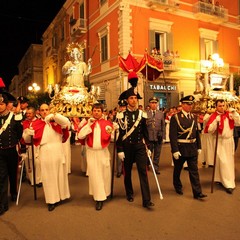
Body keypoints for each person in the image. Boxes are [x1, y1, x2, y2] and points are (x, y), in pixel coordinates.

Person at [22, 104, 70, 211]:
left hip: (57, 149)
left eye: (47, 110)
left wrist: (54, 116)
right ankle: (51, 200)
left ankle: (62, 196)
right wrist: (27, 134)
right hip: (45, 150)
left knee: (60, 174)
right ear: (39, 112)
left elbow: (66, 123)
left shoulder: (57, 121)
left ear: (50, 110)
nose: (44, 112)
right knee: (48, 176)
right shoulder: (36, 124)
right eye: (42, 110)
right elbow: (27, 140)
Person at [116, 87, 154, 209]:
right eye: (131, 98)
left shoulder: (142, 114)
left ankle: (146, 200)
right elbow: (120, 135)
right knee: (127, 172)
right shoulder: (121, 115)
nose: (134, 100)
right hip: (127, 146)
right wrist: (120, 149)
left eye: (135, 98)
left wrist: (148, 147)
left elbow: (145, 133)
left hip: (139, 146)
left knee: (143, 172)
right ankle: (129, 192)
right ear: (127, 100)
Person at [78, 103, 114, 211]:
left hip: (103, 151)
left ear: (102, 112)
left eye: (99, 111)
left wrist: (115, 131)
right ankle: (99, 198)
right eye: (95, 110)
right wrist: (89, 125)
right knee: (95, 175)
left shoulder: (107, 123)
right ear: (92, 112)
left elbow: (112, 138)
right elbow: (80, 136)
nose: (96, 112)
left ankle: (105, 192)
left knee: (105, 174)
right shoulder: (88, 124)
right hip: (92, 152)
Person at [169, 95, 207, 200]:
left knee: (194, 171)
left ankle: (197, 192)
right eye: (188, 104)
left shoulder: (194, 117)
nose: (190, 106)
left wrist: (199, 146)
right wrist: (175, 150)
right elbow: (173, 136)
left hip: (192, 147)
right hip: (181, 148)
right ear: (182, 104)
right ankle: (177, 185)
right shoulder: (175, 117)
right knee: (177, 169)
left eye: (191, 104)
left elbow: (196, 133)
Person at [204, 99, 240, 194]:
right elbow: (210, 130)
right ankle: (228, 184)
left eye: (223, 105)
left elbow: (238, 122)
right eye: (220, 105)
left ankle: (221, 179)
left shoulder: (229, 114)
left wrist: (235, 113)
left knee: (229, 162)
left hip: (229, 141)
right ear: (216, 106)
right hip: (220, 141)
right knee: (223, 162)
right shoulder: (214, 116)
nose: (222, 107)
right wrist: (216, 122)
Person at [0, 92, 23, 215]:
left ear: (6, 105)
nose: (0, 106)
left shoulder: (13, 117)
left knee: (12, 174)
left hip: (11, 150)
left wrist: (16, 143)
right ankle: (3, 204)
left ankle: (13, 192)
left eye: (2, 104)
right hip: (0, 152)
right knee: (1, 177)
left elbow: (19, 134)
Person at [21, 107, 42, 187]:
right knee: (28, 163)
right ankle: (31, 180)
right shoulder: (24, 123)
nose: (28, 115)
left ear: (34, 114)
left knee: (37, 163)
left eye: (30, 113)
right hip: (27, 146)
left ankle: (38, 180)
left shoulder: (39, 122)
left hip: (36, 145)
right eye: (27, 113)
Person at [146, 97, 165, 174]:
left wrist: (163, 137)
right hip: (149, 136)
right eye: (152, 103)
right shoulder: (146, 113)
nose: (154, 104)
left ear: (157, 104)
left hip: (158, 137)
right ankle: (147, 164)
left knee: (157, 153)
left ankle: (155, 167)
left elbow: (163, 125)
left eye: (155, 103)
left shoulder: (161, 113)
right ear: (150, 104)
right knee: (148, 153)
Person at [116, 99, 128, 178]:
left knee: (126, 156)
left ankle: (125, 170)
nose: (122, 108)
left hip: (127, 137)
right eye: (121, 107)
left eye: (124, 107)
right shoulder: (117, 116)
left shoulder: (128, 115)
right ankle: (119, 171)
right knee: (119, 156)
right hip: (119, 138)